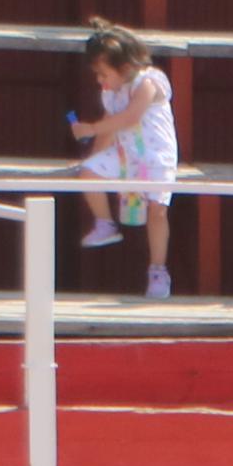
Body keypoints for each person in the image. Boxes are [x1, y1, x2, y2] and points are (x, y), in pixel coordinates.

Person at [69, 19, 180, 300]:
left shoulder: (149, 82)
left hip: (157, 158)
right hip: (125, 155)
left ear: (126, 66)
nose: (99, 80)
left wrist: (91, 128)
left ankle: (158, 269)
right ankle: (105, 223)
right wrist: (92, 159)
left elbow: (130, 117)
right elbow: (111, 124)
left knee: (157, 211)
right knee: (88, 174)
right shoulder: (110, 93)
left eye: (103, 73)